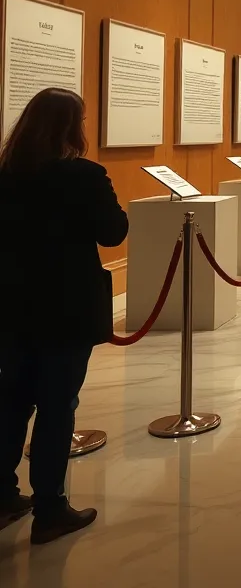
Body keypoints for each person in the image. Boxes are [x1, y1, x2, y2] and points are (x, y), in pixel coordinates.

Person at [0, 88, 129, 544]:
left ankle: (3, 495)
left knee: (12, 400)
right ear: (72, 126)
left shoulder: (7, 174)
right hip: (65, 306)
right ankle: (50, 508)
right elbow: (114, 232)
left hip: (14, 306)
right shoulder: (84, 176)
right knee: (58, 406)